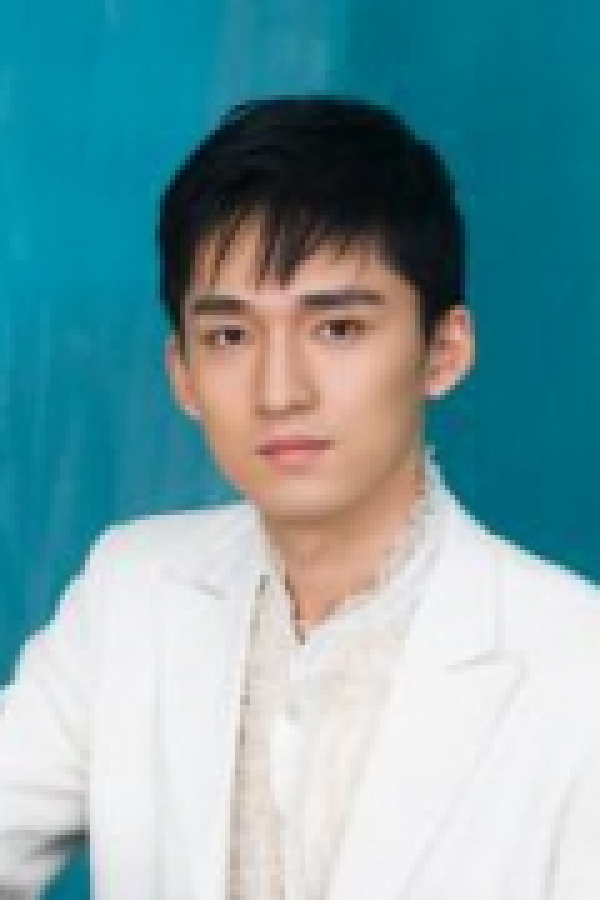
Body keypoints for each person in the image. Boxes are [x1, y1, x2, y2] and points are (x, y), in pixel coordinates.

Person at [1, 93, 599, 900]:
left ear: (444, 350)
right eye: (230, 336)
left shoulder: (577, 664)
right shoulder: (131, 591)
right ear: (183, 375)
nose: (279, 390)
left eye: (338, 328)